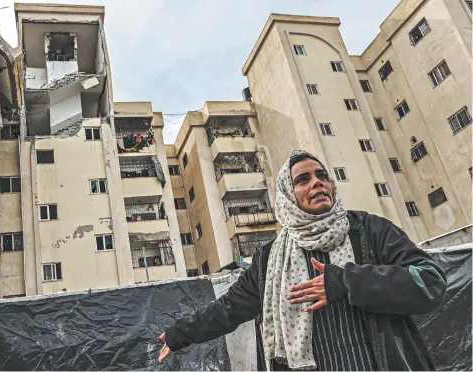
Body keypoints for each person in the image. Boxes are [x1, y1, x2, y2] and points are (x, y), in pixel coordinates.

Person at [158, 150, 446, 371]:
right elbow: (229, 309)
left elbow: (430, 282)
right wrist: (178, 334)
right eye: (303, 180)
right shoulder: (270, 258)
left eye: (322, 176)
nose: (317, 182)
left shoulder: (370, 231)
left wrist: (348, 281)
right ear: (287, 194)